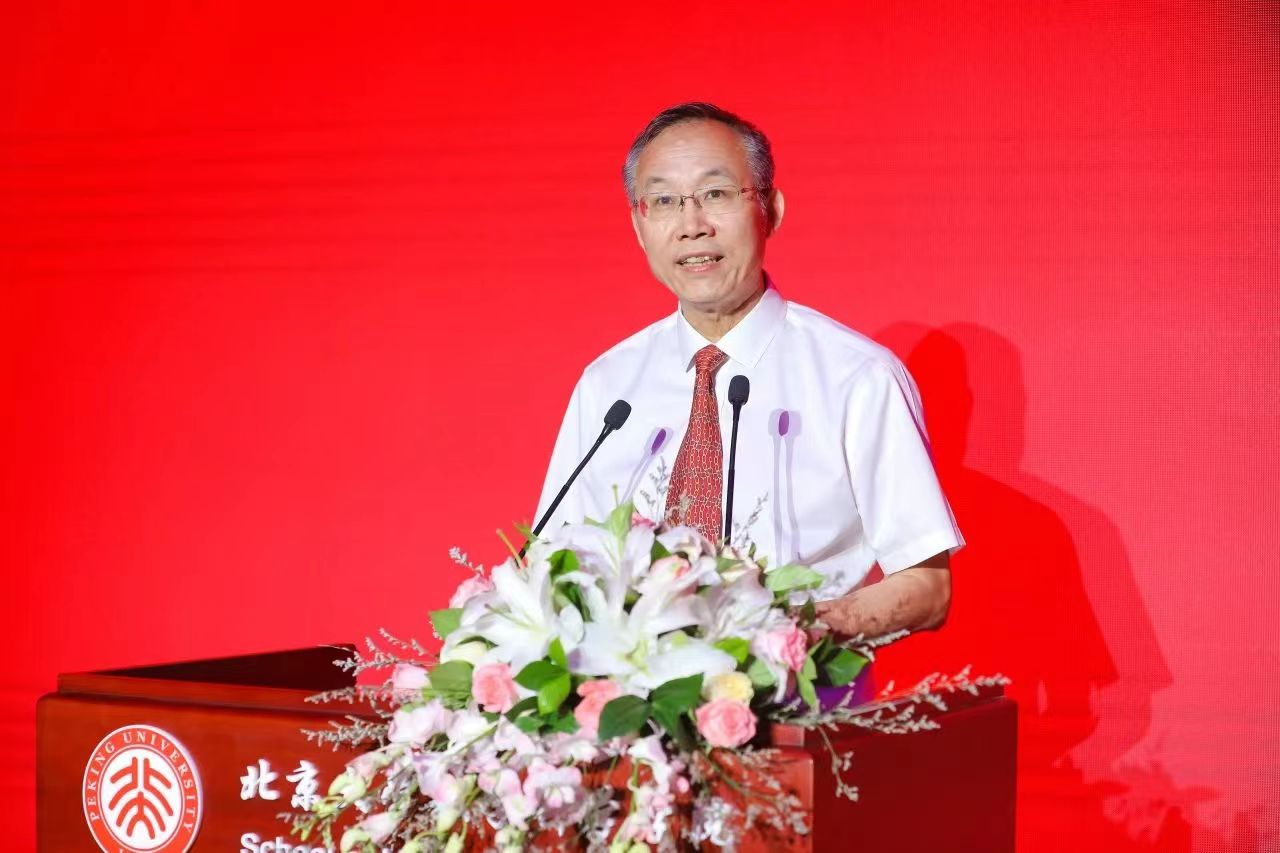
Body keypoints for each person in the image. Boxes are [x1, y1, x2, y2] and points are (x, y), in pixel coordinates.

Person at [534, 103, 962, 639]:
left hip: (800, 686)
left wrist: (792, 634)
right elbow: (553, 564)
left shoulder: (858, 377)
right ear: (639, 227)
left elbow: (926, 586)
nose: (692, 226)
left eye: (716, 194)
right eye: (663, 201)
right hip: (629, 686)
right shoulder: (608, 387)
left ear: (771, 210)